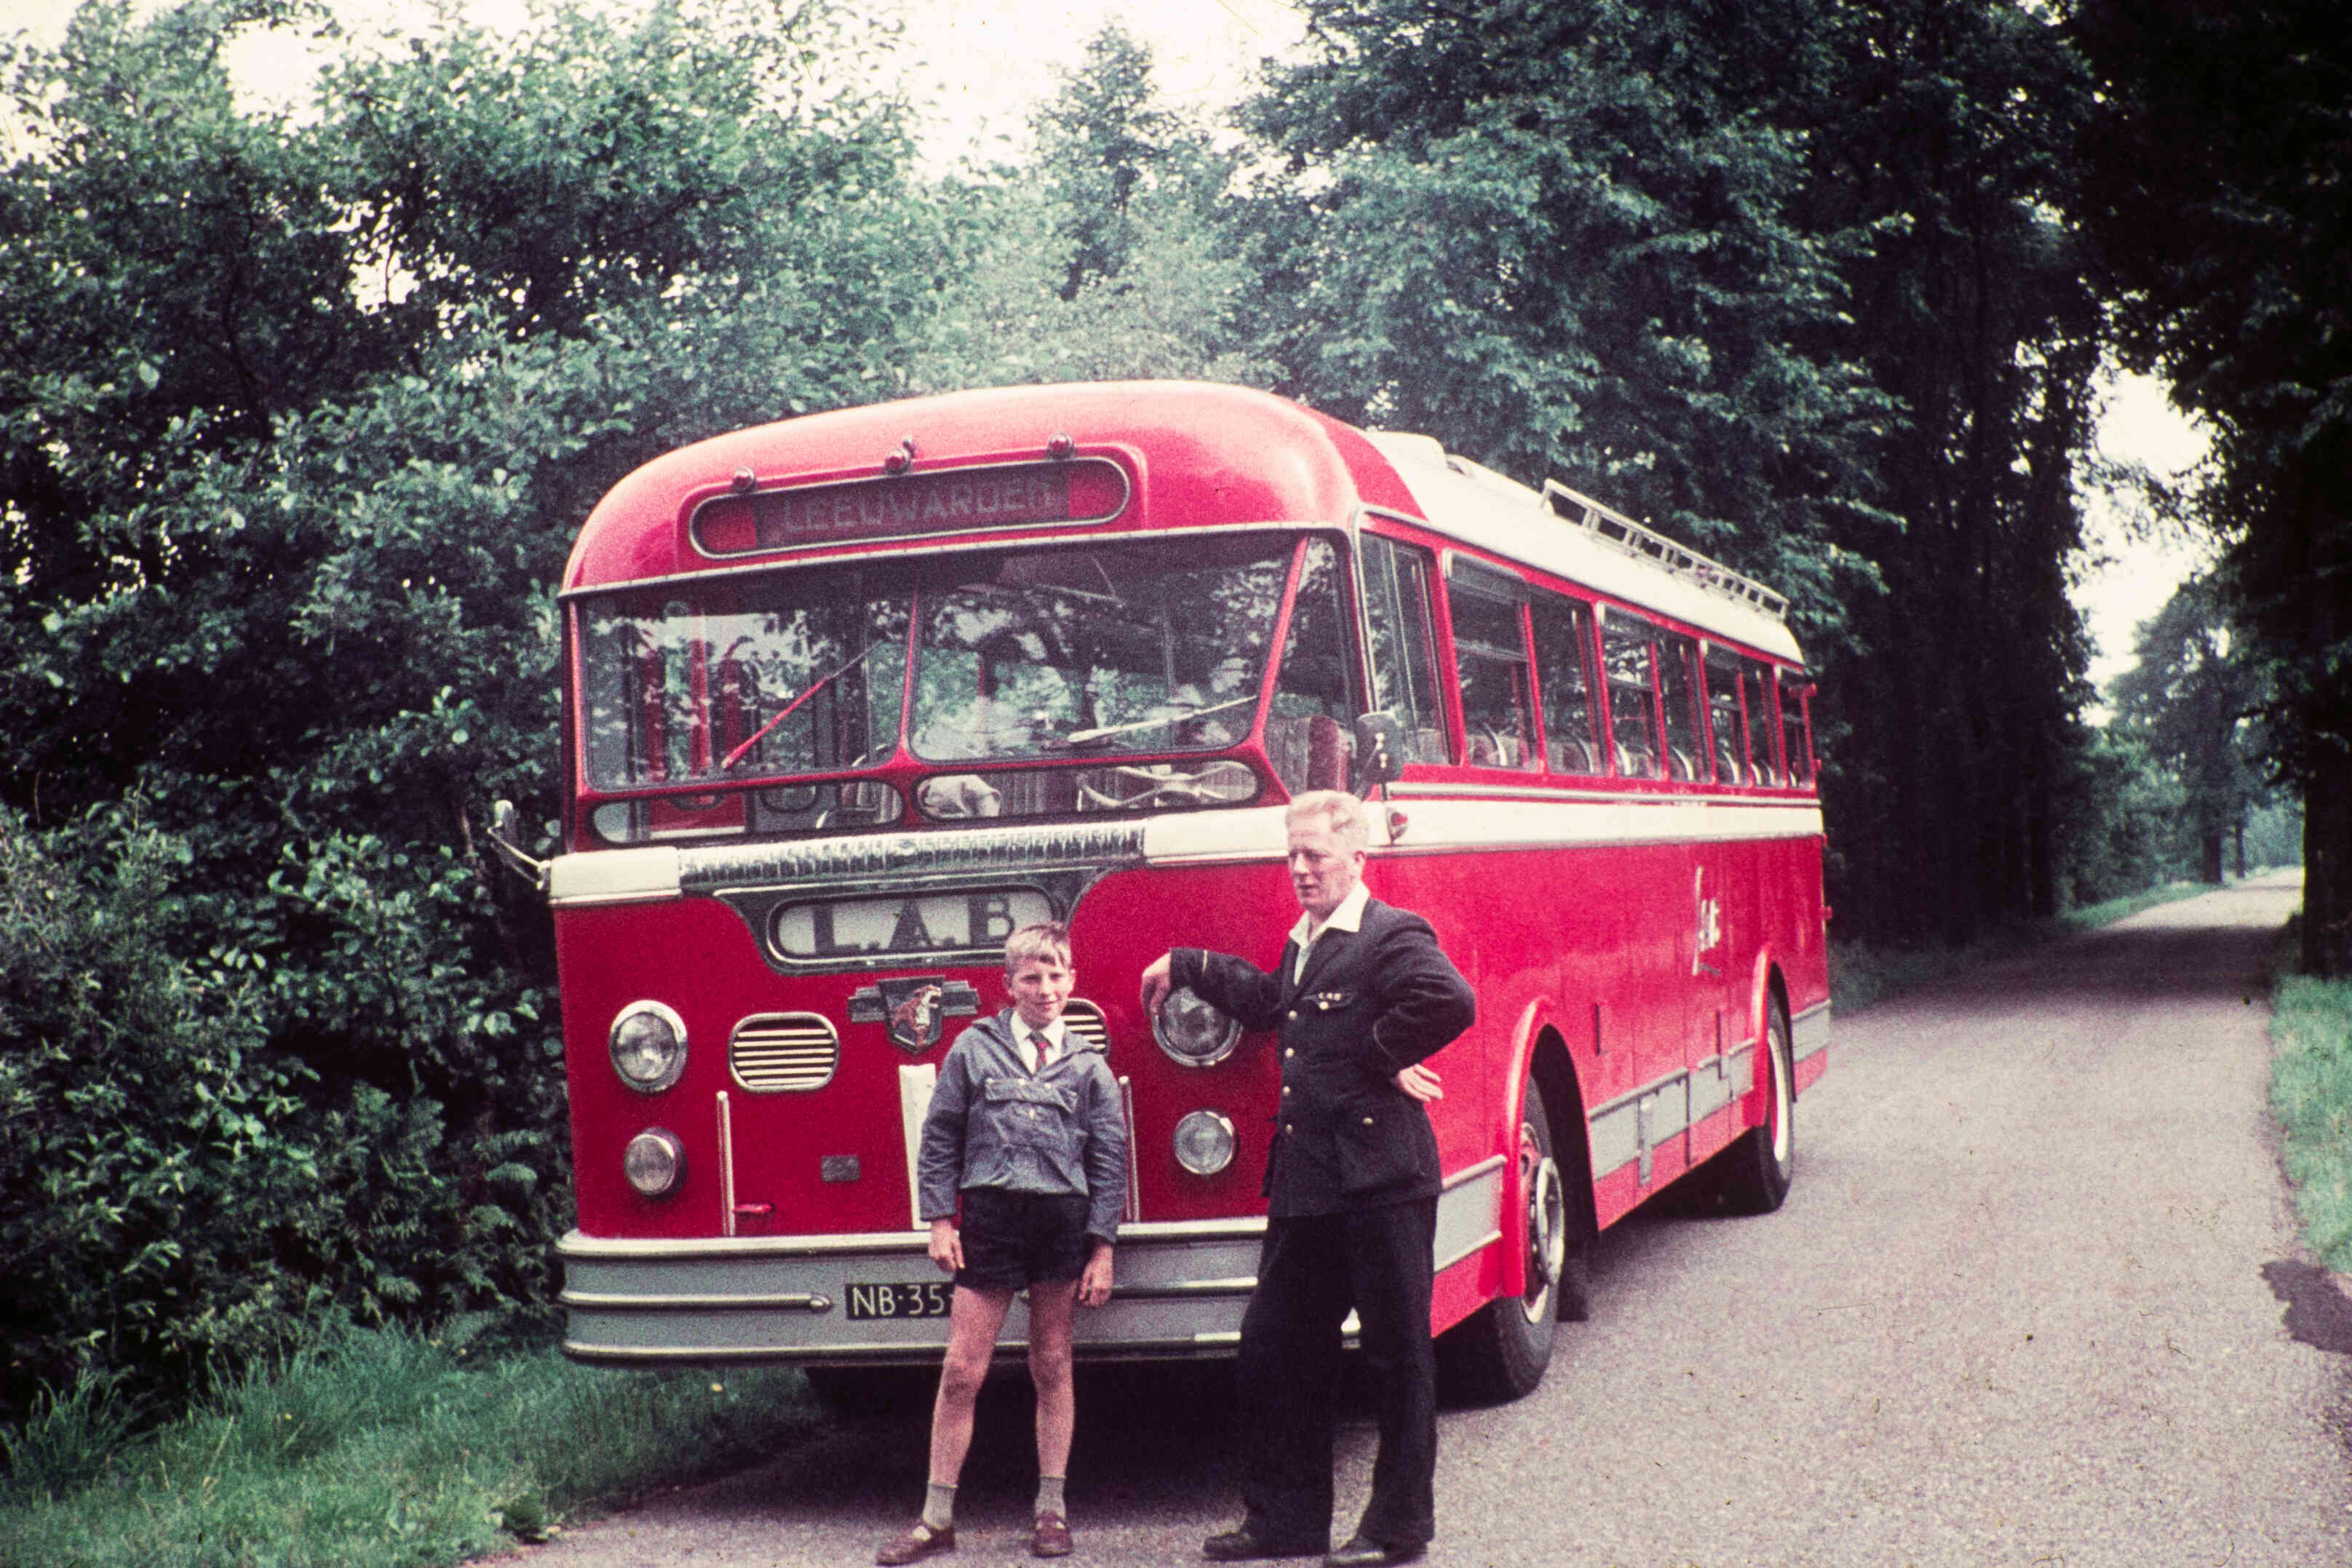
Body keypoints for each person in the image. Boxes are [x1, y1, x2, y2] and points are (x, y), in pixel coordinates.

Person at [1140, 790, 1475, 1568]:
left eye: (1314, 855)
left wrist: (1379, 1054)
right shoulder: (1307, 940)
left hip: (1381, 1180)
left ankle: (1397, 1528)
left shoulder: (1388, 933)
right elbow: (1270, 1004)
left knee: (1396, 1358)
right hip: (1308, 1187)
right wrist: (1188, 963)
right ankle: (1285, 1523)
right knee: (1274, 1348)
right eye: (1290, 855)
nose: (1298, 868)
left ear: (1357, 857)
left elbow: (1449, 999)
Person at [877, 922, 1128, 1564]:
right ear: (1008, 985)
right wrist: (939, 1219)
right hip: (989, 1217)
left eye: (1055, 976)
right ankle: (936, 1518)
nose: (1045, 989)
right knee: (963, 1369)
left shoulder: (1089, 1065)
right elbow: (939, 1138)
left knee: (1052, 1362)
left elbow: (1108, 1161)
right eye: (1031, 977)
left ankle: (1051, 1509)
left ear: (1072, 980)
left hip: (1060, 1223)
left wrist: (1101, 1247)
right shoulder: (972, 1050)